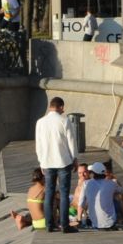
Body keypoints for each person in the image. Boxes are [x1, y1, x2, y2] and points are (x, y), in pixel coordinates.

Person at [35, 96, 78, 233]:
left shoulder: (40, 122)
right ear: (61, 107)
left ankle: (49, 225)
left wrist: (41, 161)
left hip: (47, 162)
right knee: (64, 194)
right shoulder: (64, 121)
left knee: (49, 193)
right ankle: (65, 225)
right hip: (63, 161)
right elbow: (72, 142)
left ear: (50, 106)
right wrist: (75, 158)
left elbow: (39, 145)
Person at [78, 162, 123, 230]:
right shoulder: (112, 183)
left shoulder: (86, 184)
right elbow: (121, 191)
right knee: (117, 196)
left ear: (93, 173)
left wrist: (79, 220)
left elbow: (81, 203)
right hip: (111, 222)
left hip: (94, 223)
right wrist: (114, 180)